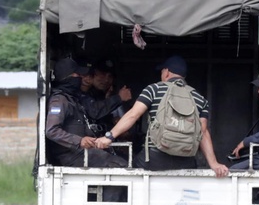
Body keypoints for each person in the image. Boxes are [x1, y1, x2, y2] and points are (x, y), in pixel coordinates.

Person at [94, 55, 228, 177]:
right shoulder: (199, 99)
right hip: (185, 159)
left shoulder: (154, 89)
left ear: (167, 72)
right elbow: (203, 132)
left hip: (154, 159)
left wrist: (109, 137)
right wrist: (214, 163)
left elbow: (133, 115)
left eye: (162, 71)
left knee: (130, 172)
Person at [45, 58, 127, 168]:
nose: (80, 78)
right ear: (69, 77)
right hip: (71, 155)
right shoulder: (60, 100)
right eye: (77, 75)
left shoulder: (73, 98)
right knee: (119, 166)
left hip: (82, 152)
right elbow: (51, 130)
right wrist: (79, 141)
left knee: (123, 160)